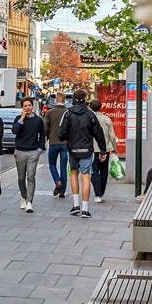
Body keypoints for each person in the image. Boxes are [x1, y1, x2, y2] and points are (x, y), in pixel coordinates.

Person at [58, 89, 109, 218]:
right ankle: (85, 209)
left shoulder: (68, 114)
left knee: (74, 175)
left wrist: (68, 138)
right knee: (86, 177)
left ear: (74, 99)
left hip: (73, 150)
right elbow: (99, 133)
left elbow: (62, 134)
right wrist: (103, 150)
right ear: (86, 99)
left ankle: (76, 205)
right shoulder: (90, 114)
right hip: (87, 150)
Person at [11, 97, 46, 212]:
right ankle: (24, 196)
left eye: (29, 105)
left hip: (32, 152)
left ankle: (29, 202)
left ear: (33, 106)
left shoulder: (38, 120)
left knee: (30, 177)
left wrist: (39, 150)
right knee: (21, 178)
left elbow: (42, 135)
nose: (27, 108)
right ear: (22, 107)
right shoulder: (18, 118)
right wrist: (22, 118)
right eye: (25, 106)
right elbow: (14, 131)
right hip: (20, 151)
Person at [93, 108, 120, 202]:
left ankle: (97, 193)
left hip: (93, 148)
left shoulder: (90, 118)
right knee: (104, 170)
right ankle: (101, 192)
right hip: (105, 149)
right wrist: (115, 148)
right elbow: (112, 136)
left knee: (94, 171)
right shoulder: (106, 119)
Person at [43, 96, 68, 196]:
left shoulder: (50, 112)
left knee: (52, 164)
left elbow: (45, 127)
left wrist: (49, 136)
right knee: (63, 167)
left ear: (55, 101)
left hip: (53, 142)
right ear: (65, 101)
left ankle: (57, 181)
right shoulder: (68, 112)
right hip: (65, 143)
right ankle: (62, 192)